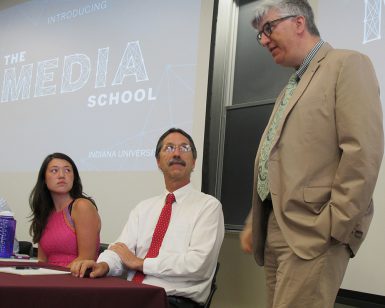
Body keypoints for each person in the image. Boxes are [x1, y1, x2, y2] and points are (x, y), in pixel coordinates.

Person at [239, 1, 384, 307]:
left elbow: (363, 152)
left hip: (313, 233)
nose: (263, 40)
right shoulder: (291, 86)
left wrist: (335, 227)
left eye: (268, 28)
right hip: (277, 231)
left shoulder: (347, 63)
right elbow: (277, 160)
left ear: (299, 22)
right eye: (259, 35)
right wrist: (257, 220)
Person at [71, 128, 224, 308]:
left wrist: (141, 263)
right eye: (169, 148)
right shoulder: (143, 208)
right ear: (158, 162)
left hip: (173, 300)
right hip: (132, 294)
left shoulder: (208, 207)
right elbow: (120, 249)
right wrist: (103, 265)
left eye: (184, 148)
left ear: (194, 162)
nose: (176, 153)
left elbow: (198, 265)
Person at [29, 152, 101, 267]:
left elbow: (86, 260)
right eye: (54, 170)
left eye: (67, 170)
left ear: (74, 178)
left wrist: (53, 276)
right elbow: (42, 261)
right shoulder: (45, 213)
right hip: (49, 278)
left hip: (76, 280)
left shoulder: (82, 206)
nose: (62, 175)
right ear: (44, 179)